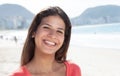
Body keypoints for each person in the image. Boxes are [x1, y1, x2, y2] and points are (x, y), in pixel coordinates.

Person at [11, 6, 81, 76]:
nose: (53, 35)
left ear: (64, 39)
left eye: (59, 31)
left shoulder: (74, 70)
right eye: (46, 27)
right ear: (33, 32)